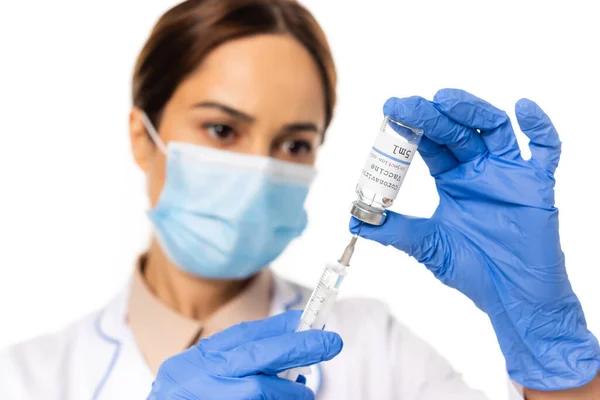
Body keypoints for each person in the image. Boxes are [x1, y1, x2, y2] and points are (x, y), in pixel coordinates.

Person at [0, 0, 598, 399]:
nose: (260, 169)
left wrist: (551, 352)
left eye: (293, 142)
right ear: (143, 136)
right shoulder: (28, 378)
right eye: (222, 130)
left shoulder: (377, 353)